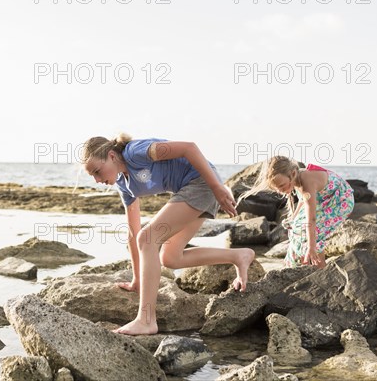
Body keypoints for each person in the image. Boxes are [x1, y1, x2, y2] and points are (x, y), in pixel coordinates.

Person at [79, 132, 255, 336]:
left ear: (111, 156)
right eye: (93, 176)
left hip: (203, 183)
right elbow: (132, 233)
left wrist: (217, 188)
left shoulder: (136, 152)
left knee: (149, 238)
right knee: (169, 257)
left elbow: (189, 147)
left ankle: (146, 320)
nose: (97, 180)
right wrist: (137, 279)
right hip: (192, 190)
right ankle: (238, 255)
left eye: (97, 172)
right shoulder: (124, 184)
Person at [238, 156, 354, 269]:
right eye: (276, 188)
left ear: (293, 174)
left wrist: (311, 246)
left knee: (311, 232)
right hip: (323, 199)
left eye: (282, 185)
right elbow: (303, 201)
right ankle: (302, 265)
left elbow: (311, 219)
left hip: (340, 200)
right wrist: (294, 218)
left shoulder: (307, 181)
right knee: (296, 227)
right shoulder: (297, 179)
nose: (280, 191)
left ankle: (320, 269)